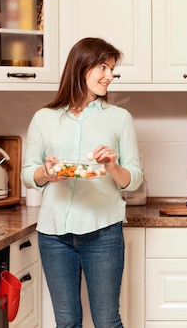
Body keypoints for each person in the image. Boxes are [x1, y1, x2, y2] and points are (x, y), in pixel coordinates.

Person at [21, 37, 143, 328]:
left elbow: (134, 178)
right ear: (81, 67)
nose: (109, 76)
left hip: (103, 231)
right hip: (54, 235)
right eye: (103, 67)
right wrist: (46, 173)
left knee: (107, 321)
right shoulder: (44, 118)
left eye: (112, 69)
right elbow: (28, 173)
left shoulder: (119, 118)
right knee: (66, 322)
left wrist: (112, 165)